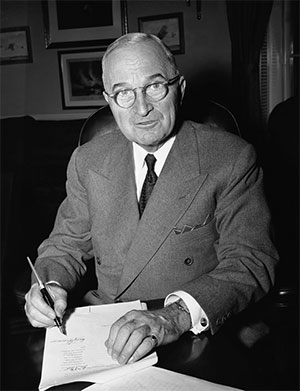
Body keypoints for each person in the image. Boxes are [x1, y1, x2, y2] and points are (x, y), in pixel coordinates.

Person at [25, 33, 278, 366]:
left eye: (154, 86)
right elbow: (65, 246)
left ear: (180, 88)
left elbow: (250, 261)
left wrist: (172, 317)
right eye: (124, 94)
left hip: (191, 337)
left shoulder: (231, 159)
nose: (142, 108)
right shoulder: (87, 160)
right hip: (103, 333)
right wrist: (49, 286)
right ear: (109, 100)